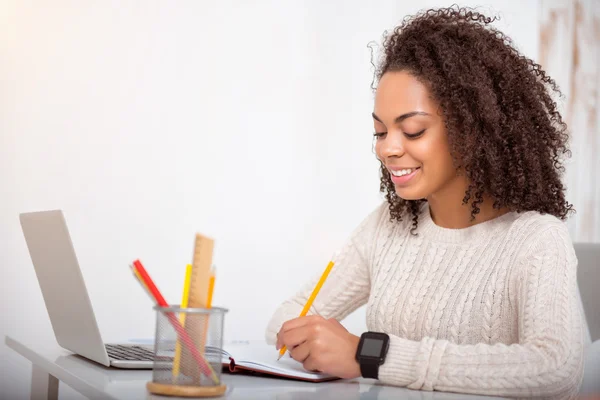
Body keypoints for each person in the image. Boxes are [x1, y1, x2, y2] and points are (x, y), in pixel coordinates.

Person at [265, 6, 585, 399]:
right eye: (380, 131)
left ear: (474, 129)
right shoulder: (389, 227)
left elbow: (555, 368)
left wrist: (370, 356)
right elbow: (289, 315)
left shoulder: (536, 240)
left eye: (413, 131)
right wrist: (310, 338)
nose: (388, 149)